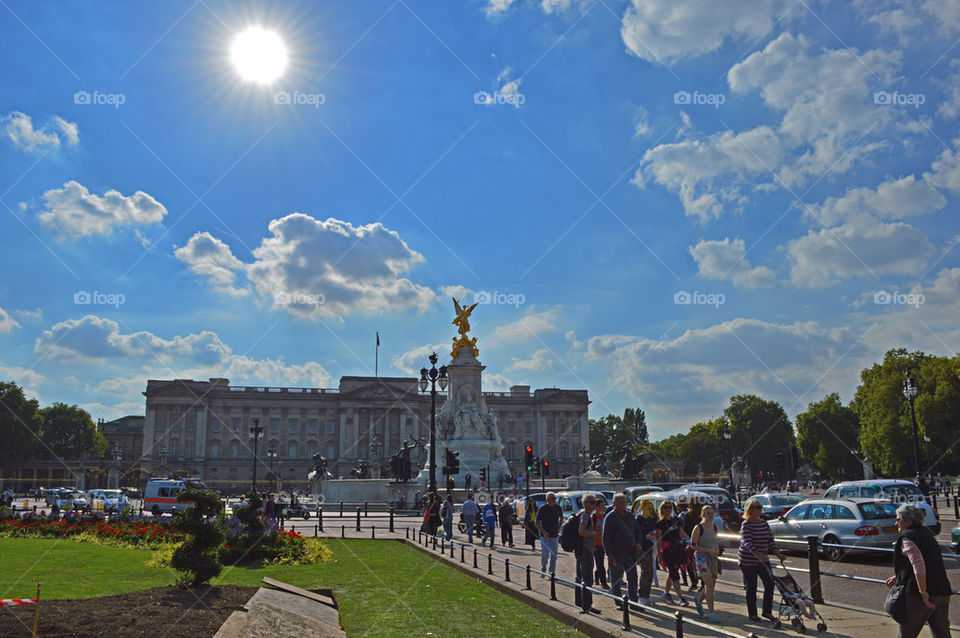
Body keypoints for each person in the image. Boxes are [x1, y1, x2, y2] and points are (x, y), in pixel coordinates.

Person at [886, 502, 952, 638]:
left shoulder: (908, 538)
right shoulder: (928, 535)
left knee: (907, 632)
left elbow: (918, 564)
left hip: (919, 595)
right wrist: (898, 576)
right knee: (941, 633)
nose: (896, 523)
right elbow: (929, 561)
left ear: (909, 521)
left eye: (898, 519)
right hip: (941, 590)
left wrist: (923, 592)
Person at [739, 497, 784, 622]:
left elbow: (770, 540)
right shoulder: (746, 524)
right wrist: (758, 554)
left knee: (770, 583)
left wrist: (777, 553)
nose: (761, 509)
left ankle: (767, 611)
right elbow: (746, 542)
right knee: (752, 586)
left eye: (761, 507)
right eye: (758, 507)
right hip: (748, 561)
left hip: (762, 560)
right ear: (751, 510)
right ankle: (752, 613)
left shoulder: (764, 523)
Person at [603, 493, 640, 608]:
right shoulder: (610, 517)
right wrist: (609, 554)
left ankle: (633, 602)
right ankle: (618, 602)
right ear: (614, 503)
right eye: (619, 502)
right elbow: (606, 537)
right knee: (616, 579)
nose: (622, 504)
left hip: (630, 553)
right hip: (616, 553)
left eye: (624, 502)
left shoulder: (629, 515)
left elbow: (637, 530)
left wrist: (638, 543)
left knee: (633, 578)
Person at [691, 505, 721, 622]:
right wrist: (708, 550)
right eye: (708, 513)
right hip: (701, 558)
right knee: (709, 585)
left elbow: (715, 542)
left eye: (712, 513)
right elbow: (693, 546)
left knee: (712, 584)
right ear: (703, 515)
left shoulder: (715, 527)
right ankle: (711, 612)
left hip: (712, 558)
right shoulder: (698, 528)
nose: (710, 515)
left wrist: (716, 551)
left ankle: (699, 600)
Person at [656, 501, 689, 606]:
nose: (667, 510)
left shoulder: (678, 520)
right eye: (665, 508)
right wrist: (660, 556)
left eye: (669, 507)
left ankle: (666, 593)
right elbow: (659, 540)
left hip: (678, 549)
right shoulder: (660, 524)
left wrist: (690, 539)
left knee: (673, 572)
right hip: (667, 551)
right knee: (674, 574)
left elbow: (681, 533)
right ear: (661, 510)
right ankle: (681, 598)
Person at [575, 494, 601, 614]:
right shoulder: (585, 515)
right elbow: (581, 531)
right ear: (586, 504)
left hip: (581, 550)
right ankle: (587, 606)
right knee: (587, 579)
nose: (595, 505)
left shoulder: (582, 514)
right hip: (585, 551)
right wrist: (593, 535)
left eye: (595, 502)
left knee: (580, 577)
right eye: (592, 502)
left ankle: (581, 603)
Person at [635, 498, 658, 604]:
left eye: (651, 508)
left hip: (650, 546)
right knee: (646, 570)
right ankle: (642, 595)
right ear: (642, 508)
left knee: (651, 571)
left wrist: (654, 533)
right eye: (648, 508)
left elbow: (655, 530)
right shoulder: (638, 519)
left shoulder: (652, 519)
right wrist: (645, 537)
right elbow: (636, 535)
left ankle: (647, 594)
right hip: (642, 548)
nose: (650, 510)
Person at [536, 492, 563, 577]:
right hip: (545, 535)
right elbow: (536, 522)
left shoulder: (558, 507)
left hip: (554, 534)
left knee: (554, 554)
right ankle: (543, 568)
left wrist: (559, 527)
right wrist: (543, 531)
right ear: (547, 500)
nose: (553, 500)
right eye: (551, 498)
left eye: (554, 498)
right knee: (545, 552)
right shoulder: (542, 508)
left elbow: (561, 518)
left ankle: (552, 571)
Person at [682, 502, 703, 591]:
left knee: (689, 563)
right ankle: (703, 583)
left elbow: (685, 529)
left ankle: (694, 582)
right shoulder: (701, 516)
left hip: (690, 542)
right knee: (701, 563)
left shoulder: (687, 515)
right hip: (700, 542)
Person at [592, 498, 609, 589]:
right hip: (595, 544)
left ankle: (596, 576)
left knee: (600, 562)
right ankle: (603, 582)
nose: (602, 507)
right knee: (600, 563)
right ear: (596, 506)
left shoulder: (604, 516)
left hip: (603, 543)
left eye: (603, 506)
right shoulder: (593, 517)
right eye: (601, 505)